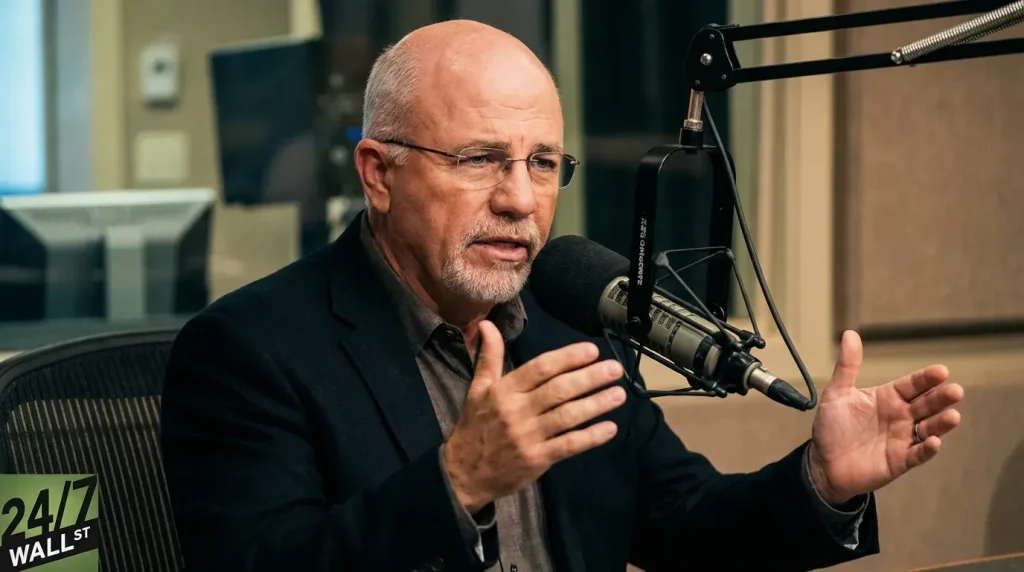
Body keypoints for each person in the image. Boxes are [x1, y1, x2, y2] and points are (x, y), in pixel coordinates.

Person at [160, 19, 965, 572]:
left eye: (543, 163)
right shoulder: (250, 350)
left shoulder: (567, 325)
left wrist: (822, 484)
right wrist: (456, 483)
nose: (520, 199)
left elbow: (688, 528)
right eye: (480, 159)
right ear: (378, 173)